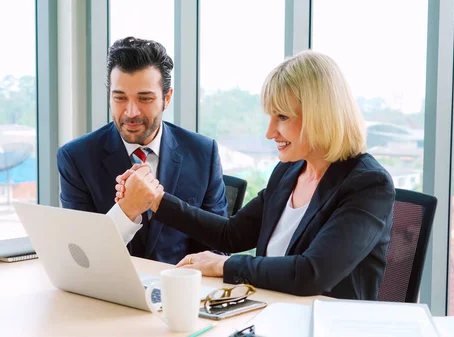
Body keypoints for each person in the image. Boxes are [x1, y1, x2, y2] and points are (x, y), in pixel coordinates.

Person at [115, 50, 395, 300]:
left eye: (282, 117)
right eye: (270, 117)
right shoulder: (290, 171)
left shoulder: (368, 185)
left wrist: (223, 265)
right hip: (273, 313)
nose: (270, 132)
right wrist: (156, 200)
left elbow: (313, 273)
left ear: (320, 116)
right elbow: (231, 234)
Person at [57, 36, 228, 265]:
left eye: (144, 98)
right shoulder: (76, 158)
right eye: (119, 98)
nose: (131, 112)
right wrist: (127, 211)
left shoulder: (203, 153)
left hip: (179, 290)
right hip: (108, 293)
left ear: (166, 98)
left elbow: (218, 248)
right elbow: (79, 254)